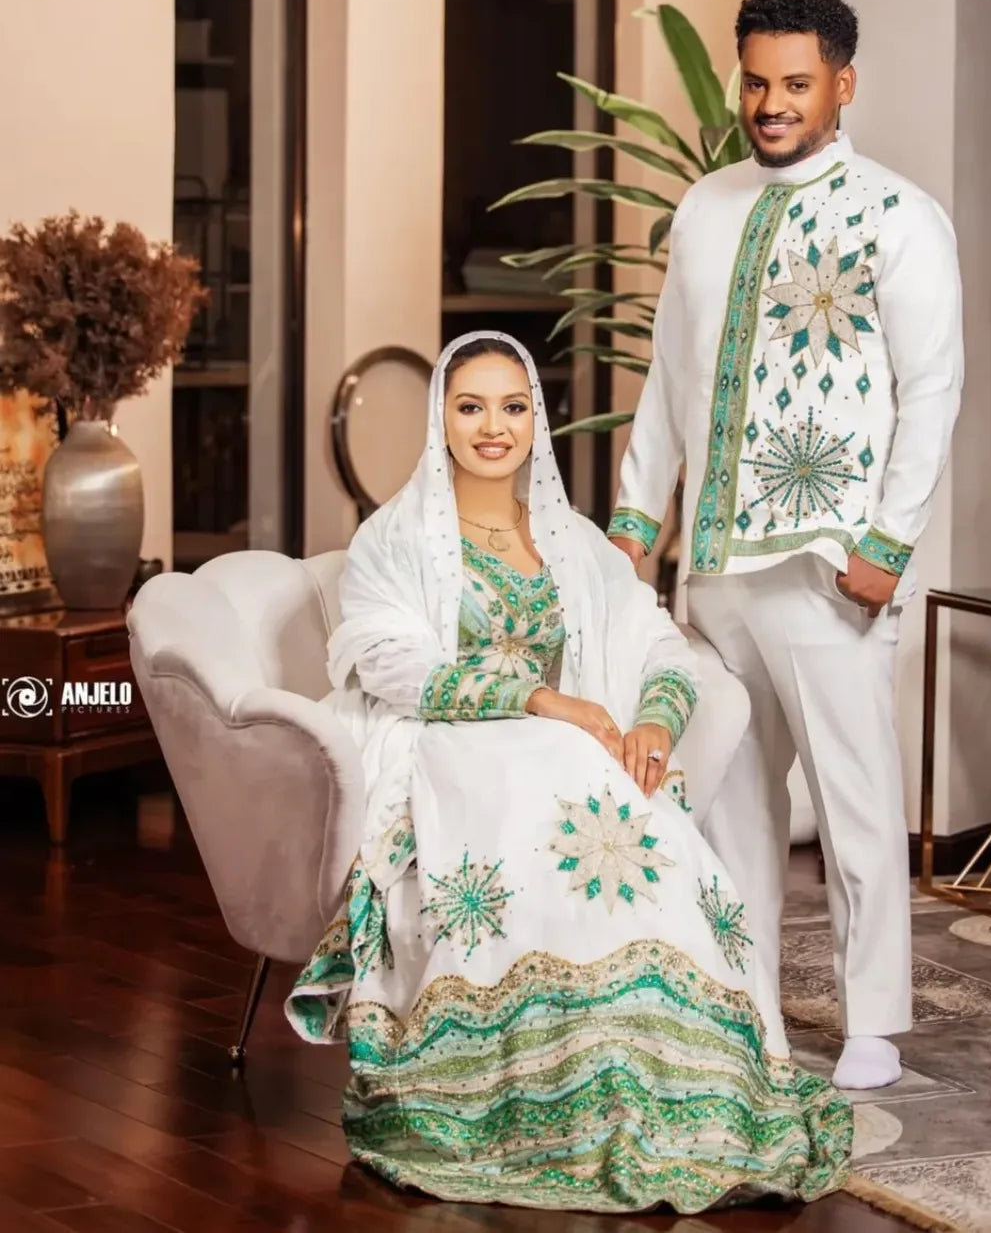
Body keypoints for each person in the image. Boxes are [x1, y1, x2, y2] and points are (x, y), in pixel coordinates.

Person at [285, 331, 852, 1213]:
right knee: (554, 813)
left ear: (534, 420)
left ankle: (666, 1080)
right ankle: (525, 1098)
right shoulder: (393, 537)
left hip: (570, 756)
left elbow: (656, 634)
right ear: (440, 415)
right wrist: (547, 702)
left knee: (652, 839)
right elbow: (387, 660)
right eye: (470, 406)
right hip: (459, 747)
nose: (492, 427)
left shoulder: (570, 539)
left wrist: (658, 715)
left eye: (513, 407)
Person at [608, 0, 964, 1092]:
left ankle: (873, 1020)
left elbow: (933, 389)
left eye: (795, 84)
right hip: (711, 569)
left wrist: (889, 544)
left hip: (827, 569)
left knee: (853, 798)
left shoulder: (900, 218)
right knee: (732, 798)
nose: (770, 103)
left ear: (843, 85)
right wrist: (633, 518)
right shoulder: (705, 208)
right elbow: (669, 374)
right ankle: (748, 994)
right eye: (756, 82)